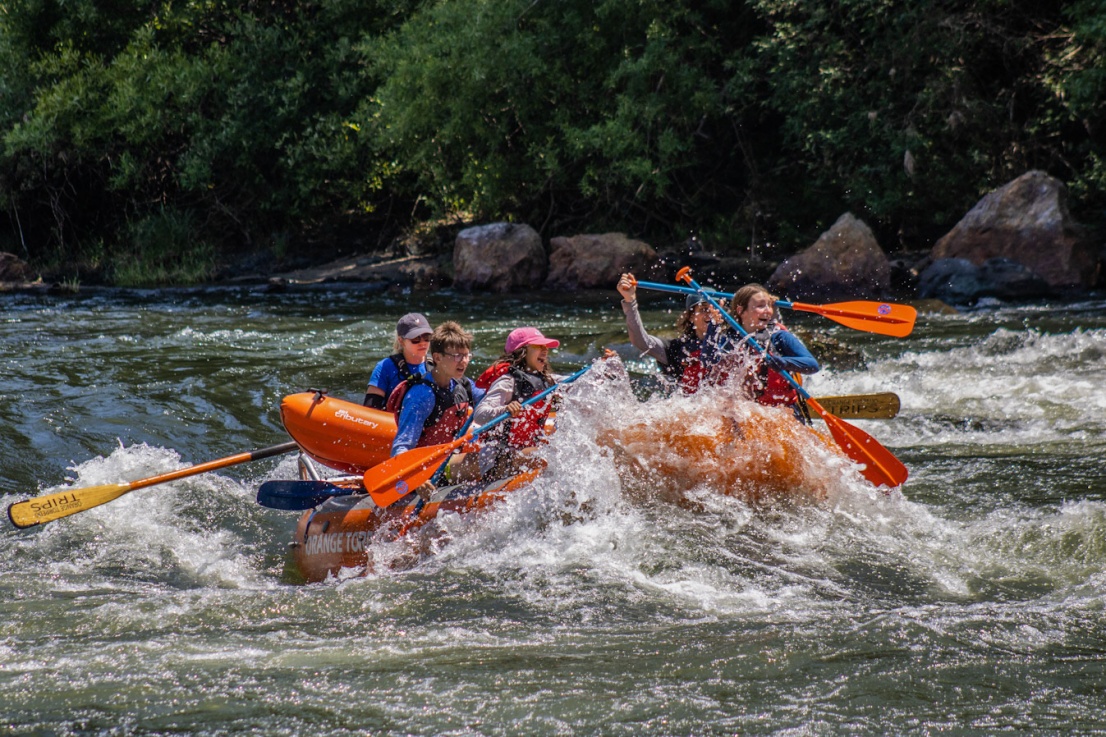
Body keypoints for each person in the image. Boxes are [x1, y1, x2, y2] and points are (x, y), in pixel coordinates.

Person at [388, 321, 486, 495]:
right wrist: (415, 479)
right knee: (496, 460)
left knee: (505, 455)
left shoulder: (462, 384)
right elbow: (401, 447)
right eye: (456, 356)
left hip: (449, 461)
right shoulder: (421, 395)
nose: (463, 361)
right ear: (438, 357)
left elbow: (489, 400)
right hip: (427, 471)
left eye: (466, 355)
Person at [708, 283, 820, 420]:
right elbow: (708, 362)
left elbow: (812, 365)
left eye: (769, 305)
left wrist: (785, 362)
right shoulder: (730, 339)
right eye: (761, 306)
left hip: (783, 413)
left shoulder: (779, 336)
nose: (768, 311)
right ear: (741, 311)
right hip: (747, 414)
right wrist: (712, 327)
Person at [472, 327, 562, 481]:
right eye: (538, 346)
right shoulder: (507, 381)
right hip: (498, 457)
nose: (545, 350)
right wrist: (505, 409)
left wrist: (604, 368)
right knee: (551, 457)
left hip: (525, 451)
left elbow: (576, 383)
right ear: (522, 352)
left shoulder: (548, 380)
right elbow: (479, 415)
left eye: (545, 346)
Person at [616, 272, 719, 394]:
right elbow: (640, 340)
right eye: (704, 309)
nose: (711, 314)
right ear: (691, 317)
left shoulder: (730, 342)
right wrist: (630, 301)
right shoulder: (675, 348)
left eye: (715, 309)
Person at [363, 313, 433, 409]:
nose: (423, 343)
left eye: (426, 337)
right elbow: (370, 409)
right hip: (391, 421)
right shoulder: (385, 367)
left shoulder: (436, 366)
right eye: (416, 339)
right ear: (401, 341)